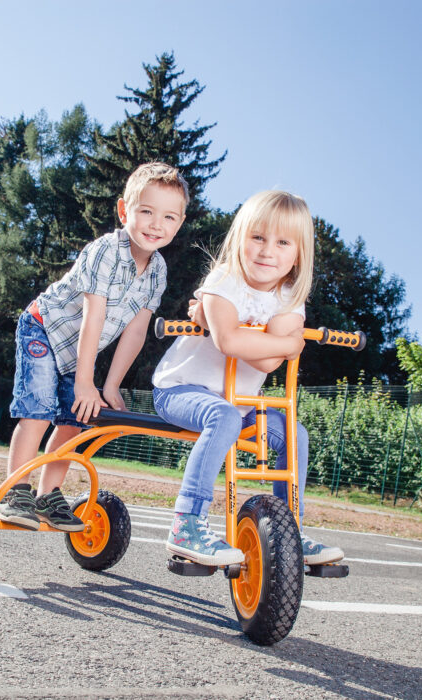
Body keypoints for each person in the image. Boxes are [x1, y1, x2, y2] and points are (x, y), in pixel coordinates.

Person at [152, 190, 344, 566]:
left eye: (282, 242)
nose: (267, 251)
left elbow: (270, 363)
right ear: (240, 238)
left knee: (294, 433)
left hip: (238, 404)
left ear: (297, 254)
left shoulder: (289, 296)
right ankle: (186, 523)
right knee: (221, 414)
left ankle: (289, 530)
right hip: (180, 389)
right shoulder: (224, 279)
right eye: (257, 237)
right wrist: (283, 342)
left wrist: (272, 343)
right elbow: (229, 342)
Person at [0, 162, 189, 531]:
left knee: (76, 418)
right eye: (146, 211)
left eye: (168, 217)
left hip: (76, 350)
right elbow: (94, 317)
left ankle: (48, 494)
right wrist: (86, 382)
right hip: (43, 327)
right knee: (37, 411)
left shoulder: (158, 271)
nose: (156, 224)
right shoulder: (105, 251)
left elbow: (135, 332)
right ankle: (15, 490)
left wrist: (110, 385)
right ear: (124, 211)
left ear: (178, 224)